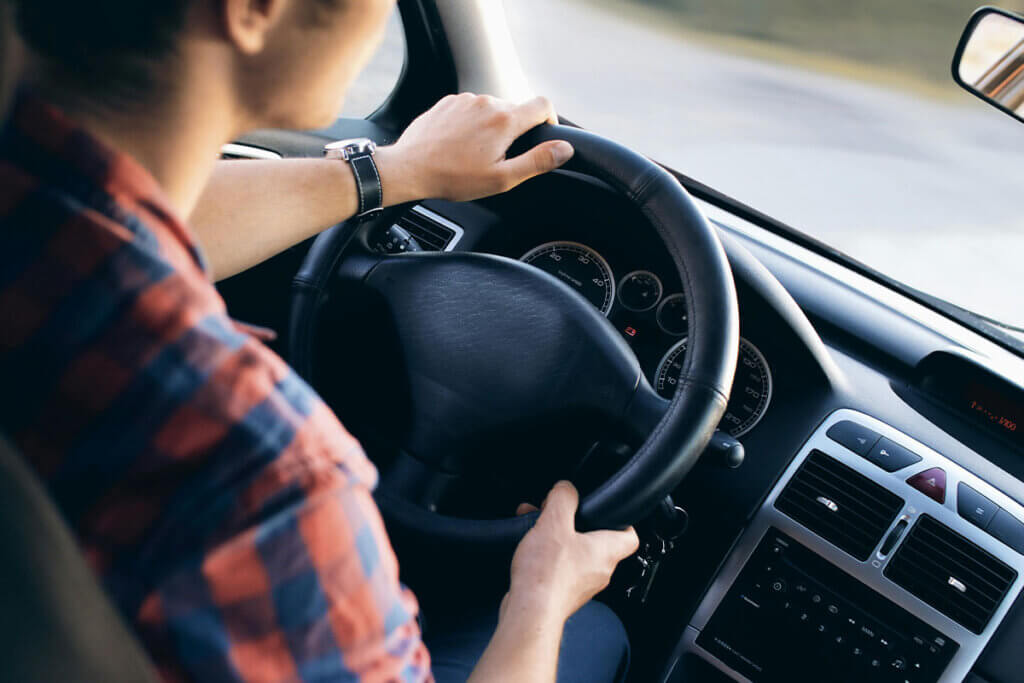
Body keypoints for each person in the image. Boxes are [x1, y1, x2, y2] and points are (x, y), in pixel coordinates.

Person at [0, 0, 640, 681]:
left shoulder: (34, 216)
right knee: (591, 631)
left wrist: (392, 170)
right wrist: (540, 597)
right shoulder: (262, 473)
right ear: (252, 11)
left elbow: (133, 219)